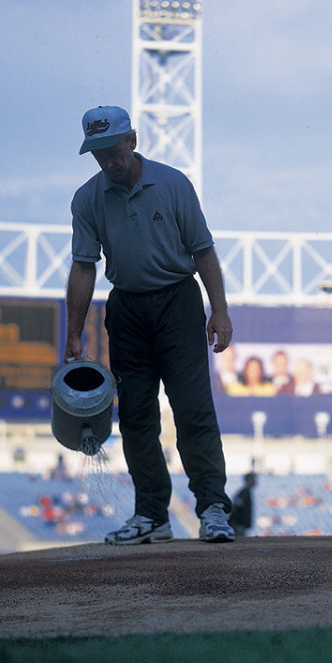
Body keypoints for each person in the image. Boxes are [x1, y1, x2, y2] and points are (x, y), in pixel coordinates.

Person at [65, 105, 235, 544]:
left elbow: (203, 253)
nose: (107, 160)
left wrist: (220, 311)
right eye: (98, 153)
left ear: (132, 140)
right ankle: (152, 515)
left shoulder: (174, 184)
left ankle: (213, 507)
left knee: (192, 408)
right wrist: (74, 331)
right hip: (126, 310)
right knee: (137, 417)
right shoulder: (87, 199)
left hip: (178, 302)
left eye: (113, 149)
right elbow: (84, 267)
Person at [229, 472, 257, 538]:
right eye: (252, 478)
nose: (255, 480)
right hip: (239, 524)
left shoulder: (246, 491)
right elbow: (235, 506)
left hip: (240, 524)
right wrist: (233, 521)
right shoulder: (245, 492)